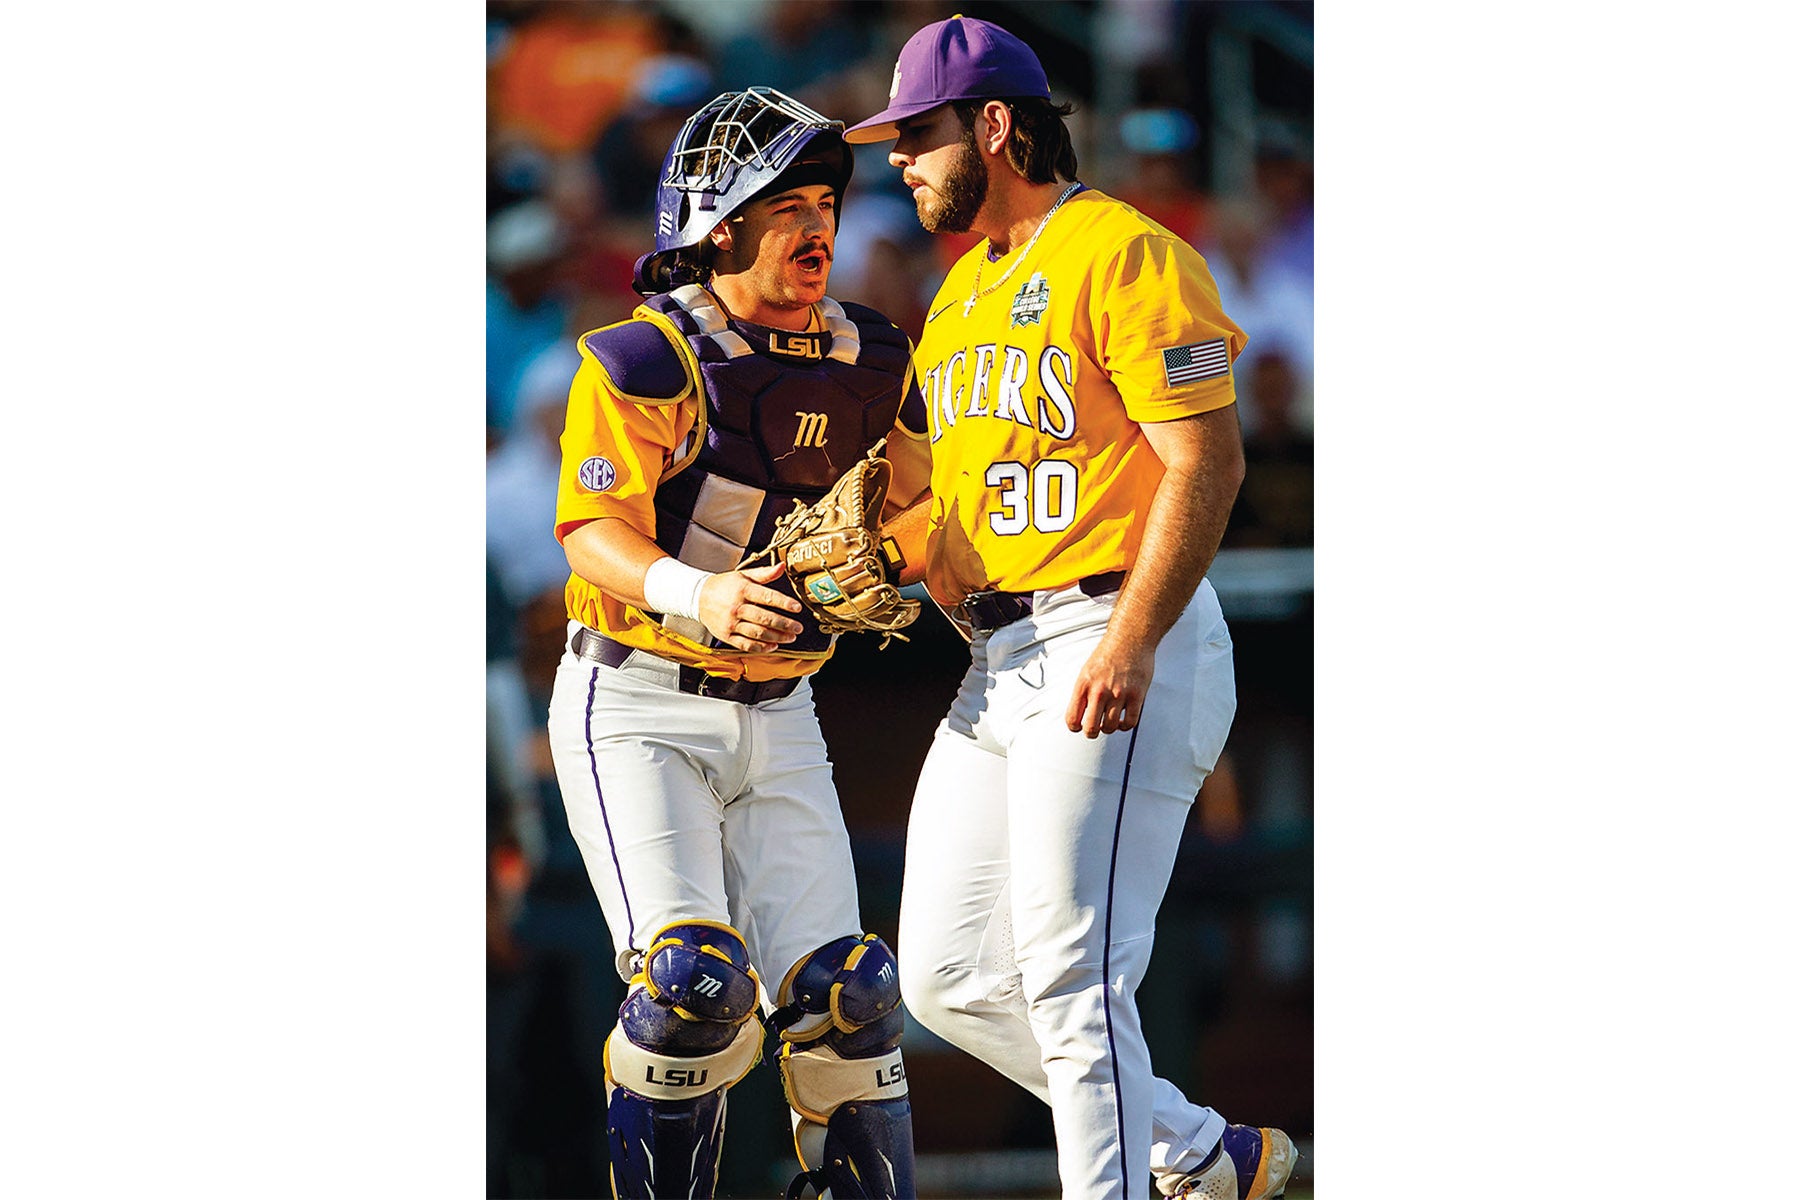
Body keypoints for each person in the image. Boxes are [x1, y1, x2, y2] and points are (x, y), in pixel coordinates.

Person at [843, 16, 1297, 1200]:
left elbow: (1208, 464)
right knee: (944, 980)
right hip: (996, 659)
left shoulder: (1125, 251)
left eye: (916, 136)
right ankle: (1200, 1151)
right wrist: (874, 555)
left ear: (994, 126)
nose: (897, 159)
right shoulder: (957, 296)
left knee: (1070, 976)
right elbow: (942, 517)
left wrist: (1135, 638)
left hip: (1116, 627)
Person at [544, 85, 929, 1200]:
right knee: (691, 983)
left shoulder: (871, 360)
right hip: (640, 701)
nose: (819, 227)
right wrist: (696, 597)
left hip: (786, 709)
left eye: (826, 203)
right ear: (722, 228)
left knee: (849, 997)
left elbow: (927, 504)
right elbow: (588, 531)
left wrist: (892, 556)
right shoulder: (645, 358)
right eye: (788, 207)